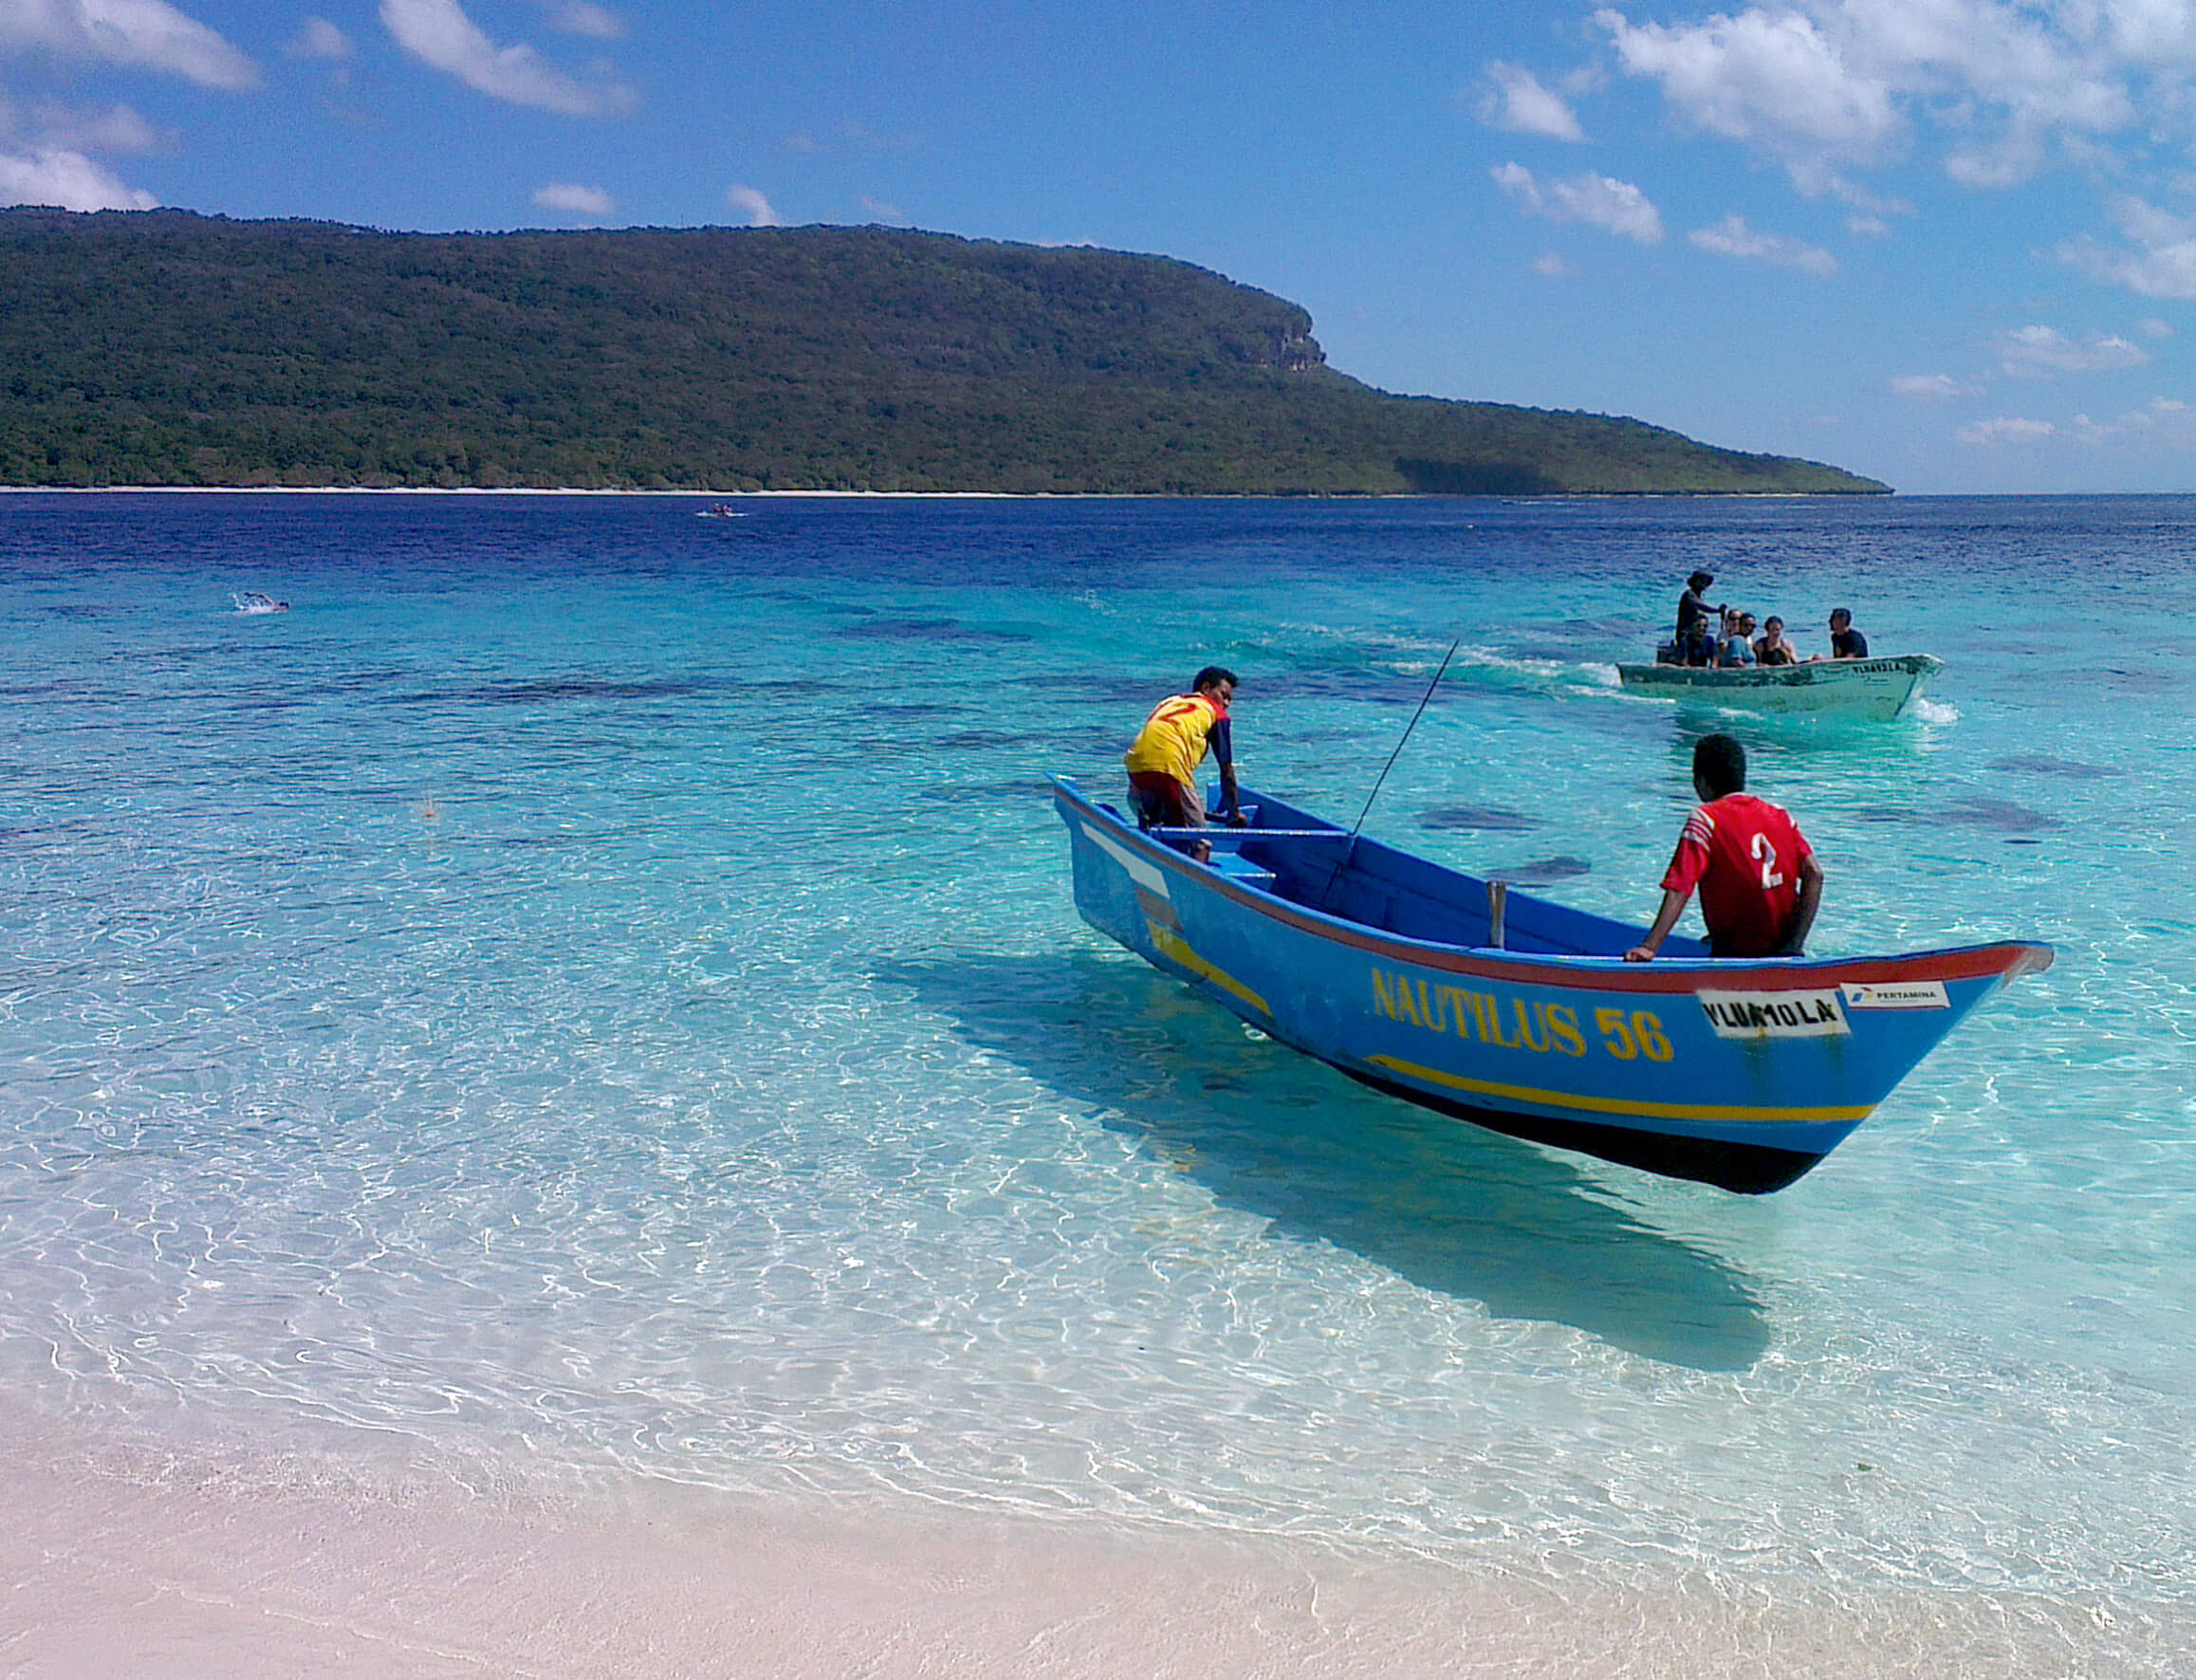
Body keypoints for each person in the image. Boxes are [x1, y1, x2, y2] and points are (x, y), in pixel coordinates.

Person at [1624, 733, 1822, 961]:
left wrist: (1650, 946)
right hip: (1781, 948)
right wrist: (1793, 945)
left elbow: (1679, 889)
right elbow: (1815, 875)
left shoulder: (1705, 819)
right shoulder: (1780, 815)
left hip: (1735, 952)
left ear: (1701, 783)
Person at [1124, 666, 1245, 859]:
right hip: (1170, 767)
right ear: (1206, 688)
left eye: (1230, 699)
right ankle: (1196, 883)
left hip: (1135, 765)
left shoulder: (1171, 701)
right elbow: (1226, 769)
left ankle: (1152, 853)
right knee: (1201, 840)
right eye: (1224, 695)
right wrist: (1234, 813)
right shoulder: (1216, 713)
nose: (1227, 703)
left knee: (1154, 822)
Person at [1674, 571, 1720, 666]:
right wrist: (1717, 610)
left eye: (1705, 582)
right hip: (1686, 636)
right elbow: (1701, 606)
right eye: (1701, 581)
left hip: (1697, 635)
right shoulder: (1689, 595)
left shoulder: (1697, 596)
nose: (1703, 584)